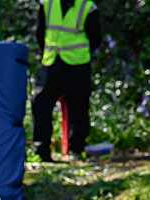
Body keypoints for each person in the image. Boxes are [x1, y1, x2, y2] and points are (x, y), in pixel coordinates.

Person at [32, 0, 102, 162]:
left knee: (79, 107)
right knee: (40, 104)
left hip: (77, 64)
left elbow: (95, 37)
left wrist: (81, 55)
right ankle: (42, 151)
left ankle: (77, 148)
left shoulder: (88, 7)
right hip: (51, 62)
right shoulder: (47, 4)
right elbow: (40, 32)